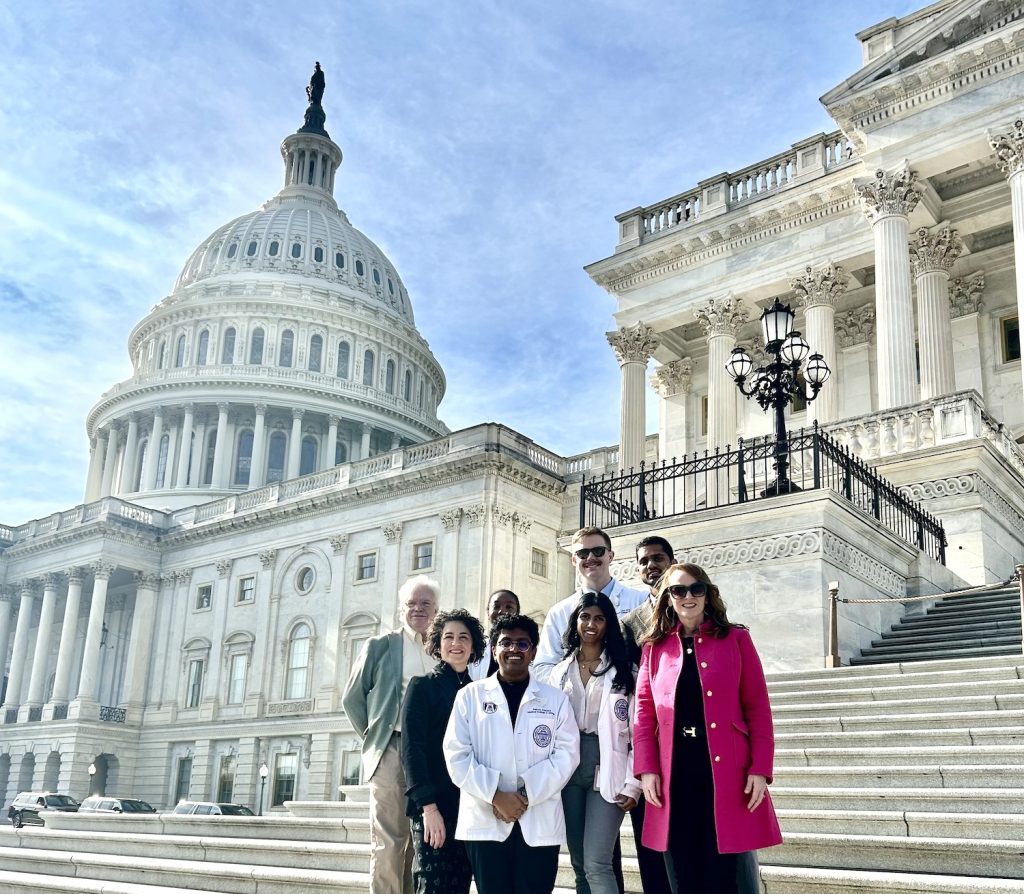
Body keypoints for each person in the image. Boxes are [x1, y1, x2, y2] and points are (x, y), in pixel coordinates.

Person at [634, 563, 782, 894]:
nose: (688, 596)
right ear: (667, 598)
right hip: (674, 775)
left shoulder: (736, 639)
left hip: (724, 774)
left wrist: (761, 769)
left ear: (707, 594)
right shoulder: (654, 648)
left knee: (722, 875)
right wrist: (646, 769)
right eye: (678, 590)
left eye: (695, 589)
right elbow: (643, 714)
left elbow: (757, 707)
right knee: (683, 874)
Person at [443, 613, 580, 894]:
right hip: (485, 818)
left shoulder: (555, 700)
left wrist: (526, 795)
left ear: (533, 651)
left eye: (522, 644)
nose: (514, 650)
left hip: (538, 819)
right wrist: (496, 795)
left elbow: (567, 756)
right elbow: (456, 755)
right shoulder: (469, 696)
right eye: (506, 642)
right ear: (494, 650)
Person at [342, 575, 439, 894]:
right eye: (412, 603)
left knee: (417, 842)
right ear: (402, 610)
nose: (418, 609)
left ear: (436, 609)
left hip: (429, 755)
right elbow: (352, 697)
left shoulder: (441, 650)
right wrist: (375, 737)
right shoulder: (381, 646)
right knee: (388, 841)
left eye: (425, 603)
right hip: (392, 749)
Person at [550, 592, 640, 894]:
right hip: (570, 767)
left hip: (608, 765)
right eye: (585, 616)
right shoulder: (559, 672)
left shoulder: (624, 671)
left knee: (598, 862)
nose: (591, 624)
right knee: (579, 865)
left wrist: (633, 783)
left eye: (599, 618)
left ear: (608, 624)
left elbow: (638, 732)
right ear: (575, 621)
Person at [401, 608, 487, 894]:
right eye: (448, 637)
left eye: (463, 637)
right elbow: (412, 750)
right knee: (432, 885)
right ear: (437, 644)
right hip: (433, 807)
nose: (456, 643)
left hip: (469, 808)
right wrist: (428, 808)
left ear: (473, 645)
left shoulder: (481, 693)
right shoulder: (422, 687)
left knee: (460, 886)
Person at [618, 536, 676, 894]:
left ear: (672, 560)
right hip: (650, 740)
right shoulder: (631, 623)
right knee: (650, 838)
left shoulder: (695, 607)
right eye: (644, 561)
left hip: (692, 740)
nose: (651, 565)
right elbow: (628, 685)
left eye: (658, 558)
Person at [533, 527, 648, 681]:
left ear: (610, 556)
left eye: (598, 551)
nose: (591, 557)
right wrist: (576, 687)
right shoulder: (559, 612)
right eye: (582, 553)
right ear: (574, 560)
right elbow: (543, 666)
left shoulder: (641, 600)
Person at [469, 589, 521, 680]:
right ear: (488, 613)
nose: (502, 611)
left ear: (517, 613)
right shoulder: (474, 649)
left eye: (509, 607)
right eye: (496, 606)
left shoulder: (526, 649)